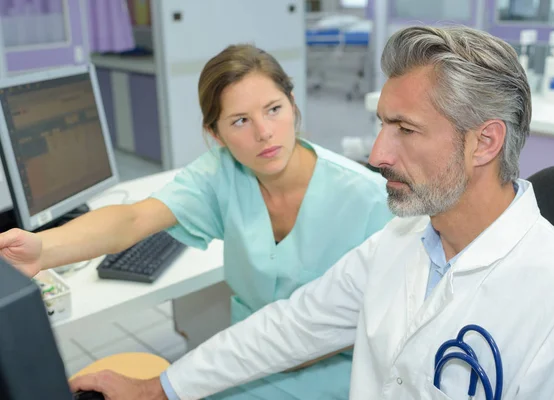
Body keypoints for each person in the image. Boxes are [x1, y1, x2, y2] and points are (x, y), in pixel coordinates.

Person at [0, 45, 399, 399]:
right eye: (240, 121)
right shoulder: (222, 174)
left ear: (293, 105)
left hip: (331, 374)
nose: (264, 133)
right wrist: (42, 249)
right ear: (216, 134)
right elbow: (134, 217)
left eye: (273, 109)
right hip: (242, 363)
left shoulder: (368, 200)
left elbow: (345, 329)